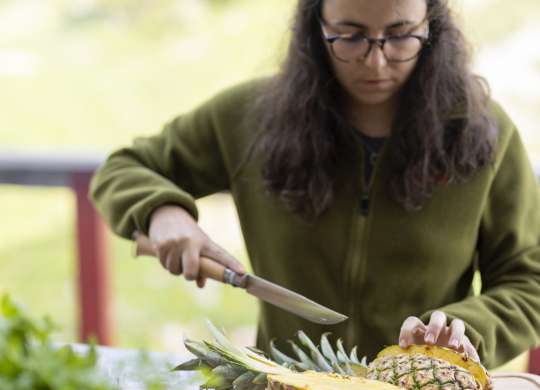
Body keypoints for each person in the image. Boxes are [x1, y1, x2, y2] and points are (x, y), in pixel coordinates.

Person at [90, 0, 540, 369]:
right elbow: (123, 168)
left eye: (401, 35)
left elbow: (529, 282)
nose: (376, 60)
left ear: (432, 27)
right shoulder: (247, 118)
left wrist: (467, 327)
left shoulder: (485, 134)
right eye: (350, 35)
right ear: (315, 27)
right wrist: (160, 211)